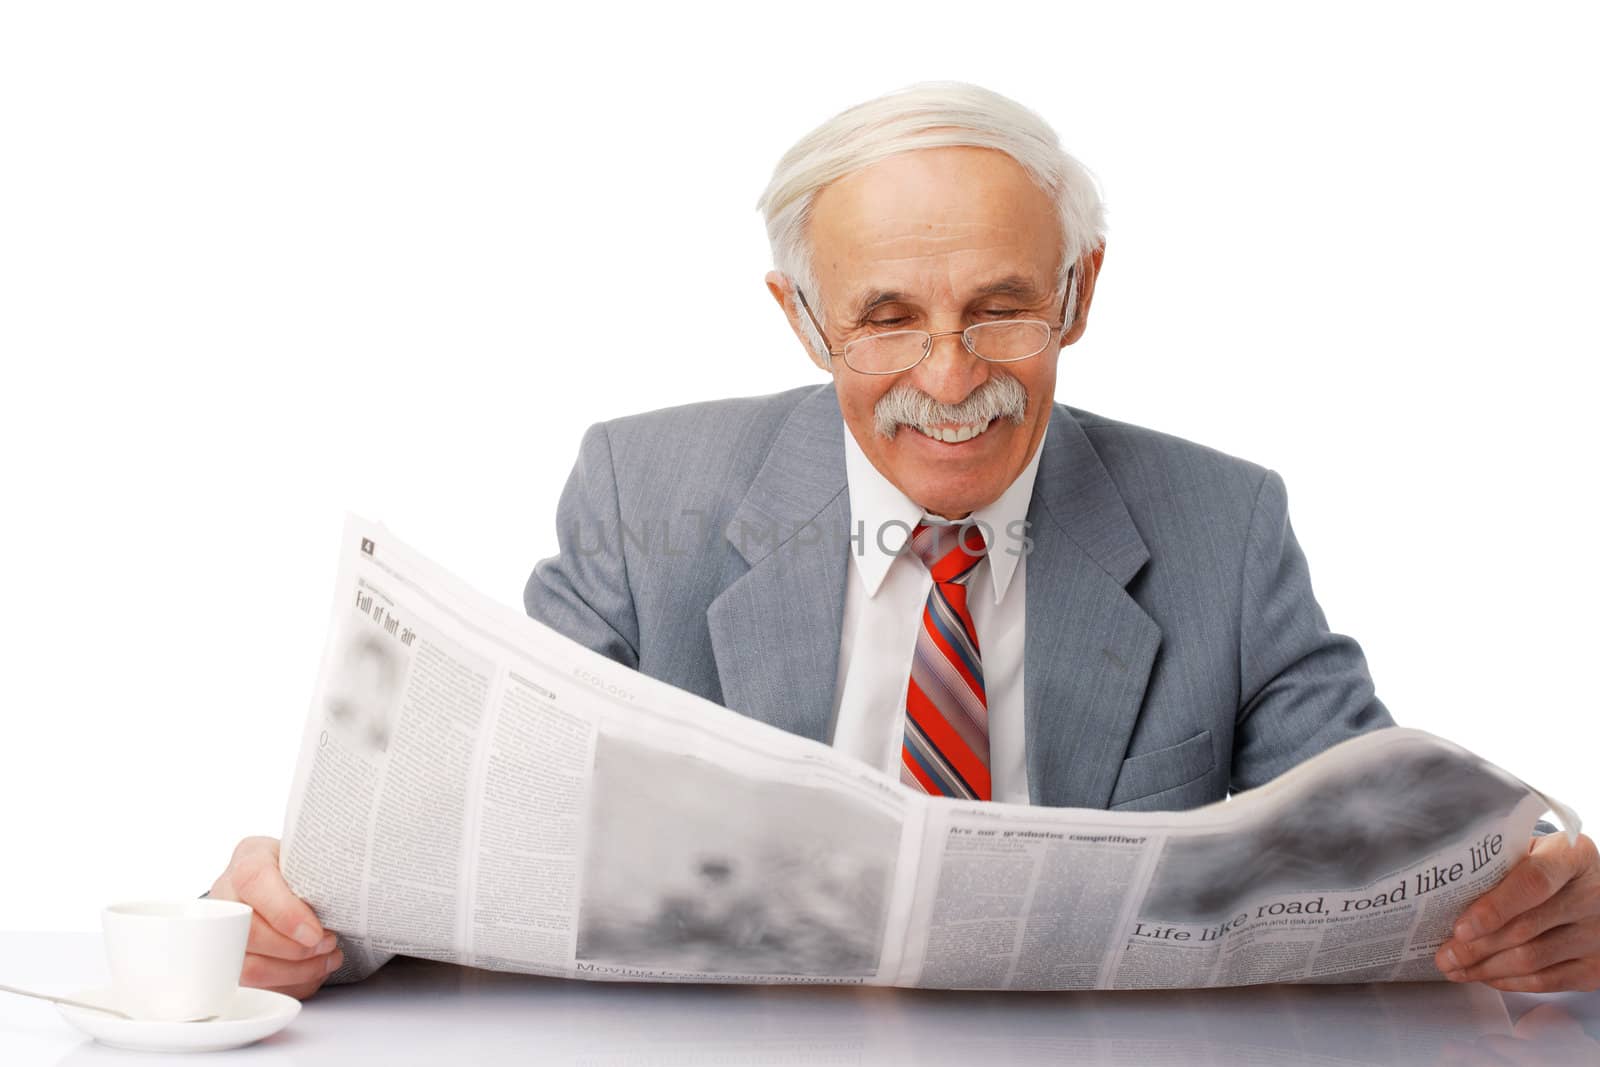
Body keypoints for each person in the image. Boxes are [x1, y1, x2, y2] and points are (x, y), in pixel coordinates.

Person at [207, 81, 1600, 999]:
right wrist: (317, 904)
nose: (950, 376)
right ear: (804, 322)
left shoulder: (1221, 524)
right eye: (885, 320)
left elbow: (1384, 820)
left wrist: (1539, 878)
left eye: (1002, 307)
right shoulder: (649, 495)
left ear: (1080, 292)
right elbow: (495, 805)